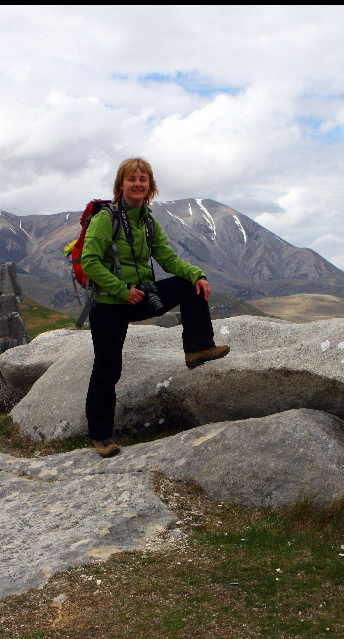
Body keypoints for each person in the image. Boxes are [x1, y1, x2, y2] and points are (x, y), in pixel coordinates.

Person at [81, 157, 230, 458]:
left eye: (143, 179)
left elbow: (168, 258)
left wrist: (196, 274)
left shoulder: (147, 220)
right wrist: (122, 291)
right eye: (132, 179)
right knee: (108, 368)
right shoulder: (104, 219)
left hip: (139, 296)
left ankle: (198, 348)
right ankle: (101, 436)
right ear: (121, 185)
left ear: (150, 186)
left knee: (190, 285)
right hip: (110, 303)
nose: (138, 184)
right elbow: (90, 262)